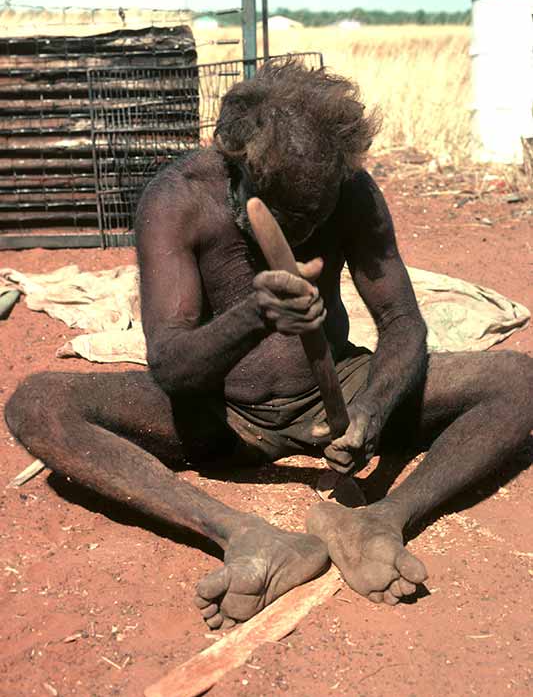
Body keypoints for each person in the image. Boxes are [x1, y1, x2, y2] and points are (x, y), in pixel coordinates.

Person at [5, 60, 533, 629]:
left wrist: (372, 410)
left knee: (517, 381)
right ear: (236, 167)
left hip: (337, 393)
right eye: (281, 214)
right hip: (219, 412)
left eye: (315, 216)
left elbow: (402, 321)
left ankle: (381, 519)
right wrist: (253, 317)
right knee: (39, 404)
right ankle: (246, 535)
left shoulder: (352, 189)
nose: (299, 234)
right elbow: (173, 368)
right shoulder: (179, 199)